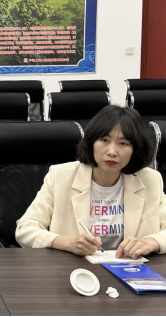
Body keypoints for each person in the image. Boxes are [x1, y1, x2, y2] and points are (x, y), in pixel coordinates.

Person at [16, 105, 166, 259]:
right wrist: (68, 243)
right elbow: (24, 229)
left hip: (128, 268)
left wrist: (149, 242)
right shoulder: (61, 176)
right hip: (73, 269)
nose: (112, 152)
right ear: (91, 142)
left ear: (135, 149)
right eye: (104, 140)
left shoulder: (150, 180)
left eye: (123, 143)